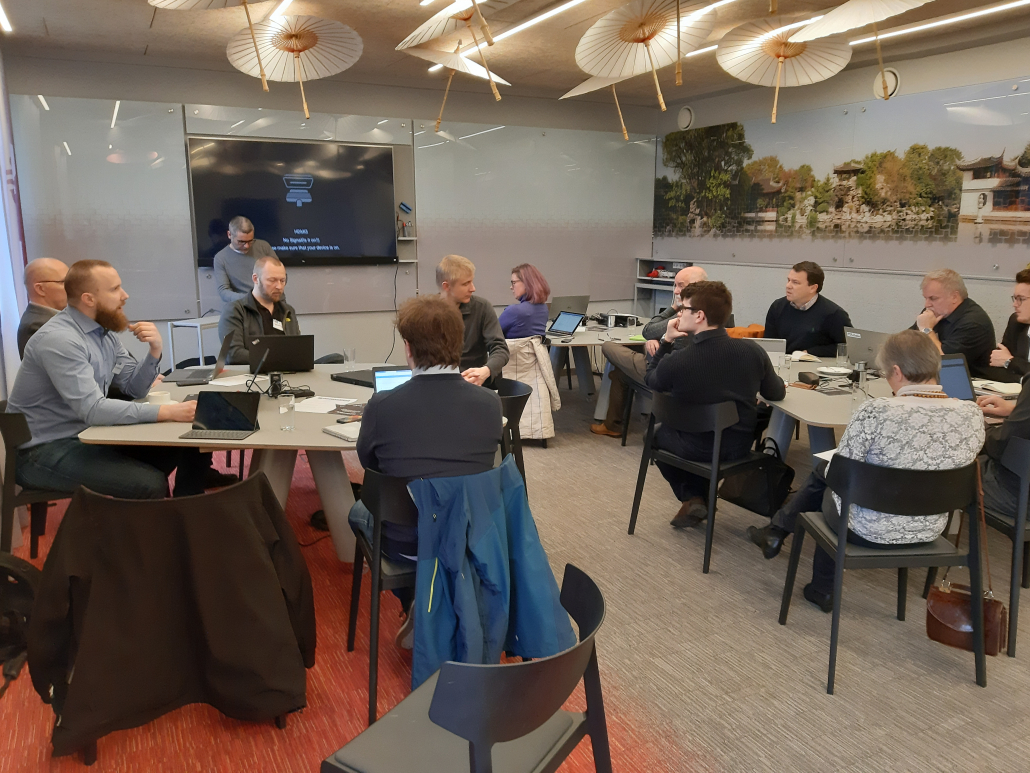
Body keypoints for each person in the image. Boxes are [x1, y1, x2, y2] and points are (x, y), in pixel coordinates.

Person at [748, 331, 984, 611]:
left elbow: (842, 474)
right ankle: (777, 531)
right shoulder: (971, 413)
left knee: (827, 479)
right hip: (930, 527)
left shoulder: (877, 411)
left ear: (897, 371)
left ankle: (819, 583)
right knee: (829, 474)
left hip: (868, 528)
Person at [349, 295, 504, 646]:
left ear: (408, 348)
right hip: (470, 537)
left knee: (357, 510)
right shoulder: (490, 404)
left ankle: (414, 601)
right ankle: (438, 601)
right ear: (459, 342)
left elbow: (369, 466)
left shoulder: (382, 406)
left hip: (407, 542)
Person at [6, 260, 206, 499]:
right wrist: (167, 411)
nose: (125, 295)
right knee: (148, 483)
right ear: (89, 299)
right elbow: (92, 410)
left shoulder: (103, 333)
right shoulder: (60, 340)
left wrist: (154, 351)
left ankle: (183, 511)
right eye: (115, 289)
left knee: (179, 445)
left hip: (86, 434)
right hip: (41, 451)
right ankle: (143, 518)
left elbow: (133, 388)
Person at [645, 281, 786, 528]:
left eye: (684, 309)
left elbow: (651, 380)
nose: (679, 314)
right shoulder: (752, 351)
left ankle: (694, 497)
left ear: (699, 316)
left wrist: (665, 341)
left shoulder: (677, 360)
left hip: (694, 447)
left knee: (653, 435)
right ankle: (697, 498)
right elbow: (775, 393)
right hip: (739, 445)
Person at [591, 265, 708, 438]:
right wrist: (656, 338)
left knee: (608, 346)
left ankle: (613, 425)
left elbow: (648, 330)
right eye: (675, 285)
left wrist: (673, 308)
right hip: (686, 378)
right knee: (620, 374)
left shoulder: (687, 315)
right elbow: (654, 332)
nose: (676, 291)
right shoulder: (712, 313)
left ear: (696, 286)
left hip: (664, 376)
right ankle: (612, 425)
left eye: (681, 286)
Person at [436, 254, 509, 387]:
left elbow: (500, 349)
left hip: (476, 384)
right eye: (465, 284)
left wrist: (486, 371)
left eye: (471, 282)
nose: (473, 288)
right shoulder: (426, 313)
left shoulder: (482, 308)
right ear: (447, 286)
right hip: (439, 384)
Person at [912, 268, 995, 377]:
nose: (927, 304)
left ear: (954, 297)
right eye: (926, 298)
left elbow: (945, 363)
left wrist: (927, 330)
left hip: (970, 382)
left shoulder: (973, 323)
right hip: (932, 378)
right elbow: (906, 346)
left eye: (933, 298)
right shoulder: (933, 313)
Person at [220, 256, 300, 365]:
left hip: (288, 372)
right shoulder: (235, 310)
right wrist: (275, 359)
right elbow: (233, 354)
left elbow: (297, 348)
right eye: (272, 280)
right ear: (255, 279)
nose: (279, 286)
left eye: (282, 280)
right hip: (251, 373)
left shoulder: (287, 311)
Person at [763, 261, 852, 357]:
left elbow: (849, 347)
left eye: (795, 282)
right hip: (783, 362)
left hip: (815, 364)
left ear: (812, 288)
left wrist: (810, 353)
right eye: (788, 280)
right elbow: (769, 343)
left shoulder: (833, 314)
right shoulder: (777, 307)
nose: (788, 286)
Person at [212, 216, 278, 314]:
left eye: (250, 241)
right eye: (241, 242)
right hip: (242, 309)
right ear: (229, 235)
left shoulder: (264, 247)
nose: (246, 246)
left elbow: (280, 275)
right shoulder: (220, 258)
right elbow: (224, 292)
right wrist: (252, 299)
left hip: (270, 305)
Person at [17, 258, 69, 358]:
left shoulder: (59, 317)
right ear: (40, 289)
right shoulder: (37, 326)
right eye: (64, 282)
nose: (72, 288)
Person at [989, 268, 1030, 380]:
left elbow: (1006, 361)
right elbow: (997, 362)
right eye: (1015, 299)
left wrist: (1010, 361)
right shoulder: (1016, 323)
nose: (1015, 305)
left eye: (1020, 299)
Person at [498, 263, 550, 338]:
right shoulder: (544, 308)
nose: (511, 287)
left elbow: (490, 334)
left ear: (526, 283)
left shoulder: (513, 311)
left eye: (513, 283)